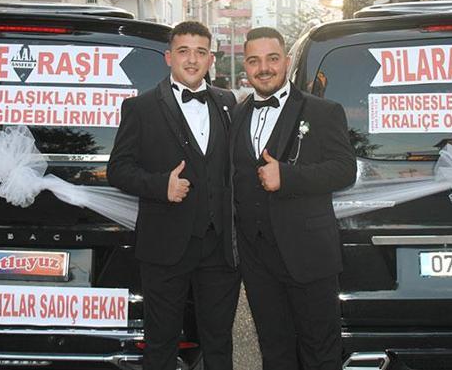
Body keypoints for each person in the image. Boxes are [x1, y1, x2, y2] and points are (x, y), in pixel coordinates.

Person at [108, 21, 240, 370]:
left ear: (211, 59)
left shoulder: (227, 102)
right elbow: (118, 169)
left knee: (219, 342)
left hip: (218, 248)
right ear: (169, 57)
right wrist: (159, 185)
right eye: (183, 51)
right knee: (161, 342)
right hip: (164, 246)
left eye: (200, 52)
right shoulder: (140, 108)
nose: (192, 60)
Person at [230, 27, 357, 370]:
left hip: (308, 257)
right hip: (257, 262)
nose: (264, 68)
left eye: (272, 59)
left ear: (286, 62)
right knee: (274, 352)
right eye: (254, 61)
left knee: (320, 353)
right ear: (246, 66)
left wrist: (287, 177)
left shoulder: (323, 111)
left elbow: (344, 170)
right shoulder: (237, 114)